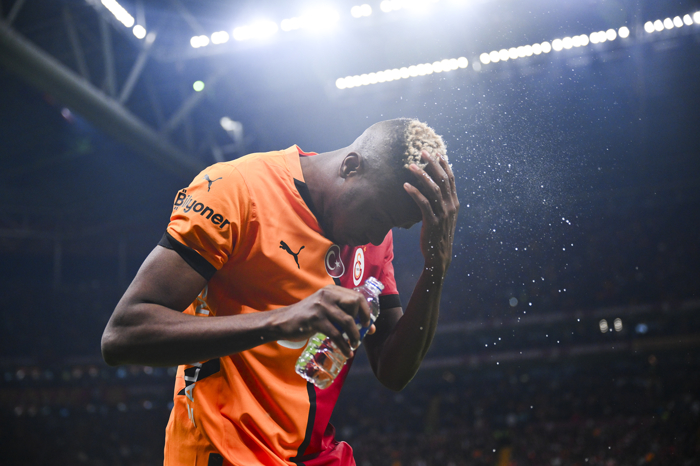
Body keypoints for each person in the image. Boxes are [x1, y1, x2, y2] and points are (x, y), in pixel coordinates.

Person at [101, 118, 459, 466]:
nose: (379, 237)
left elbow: (393, 372)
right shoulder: (237, 188)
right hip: (225, 450)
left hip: (315, 454)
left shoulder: (374, 239)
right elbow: (123, 335)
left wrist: (436, 267)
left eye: (394, 226)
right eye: (379, 216)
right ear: (351, 167)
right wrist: (283, 320)